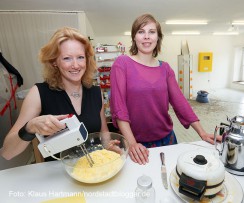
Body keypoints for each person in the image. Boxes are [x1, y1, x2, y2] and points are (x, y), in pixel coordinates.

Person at [110, 14, 222, 165]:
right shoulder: (122, 64)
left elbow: (180, 102)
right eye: (141, 32)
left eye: (152, 32)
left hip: (167, 139)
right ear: (134, 37)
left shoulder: (165, 69)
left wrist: (202, 132)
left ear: (158, 38)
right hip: (136, 145)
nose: (146, 37)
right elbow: (119, 107)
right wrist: (131, 143)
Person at [0, 27, 109, 161]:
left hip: (93, 169)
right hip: (59, 176)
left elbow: (103, 132)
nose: (75, 65)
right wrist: (30, 127)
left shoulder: (96, 92)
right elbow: (7, 152)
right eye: (67, 58)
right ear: (54, 62)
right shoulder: (39, 93)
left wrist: (109, 147)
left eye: (80, 57)